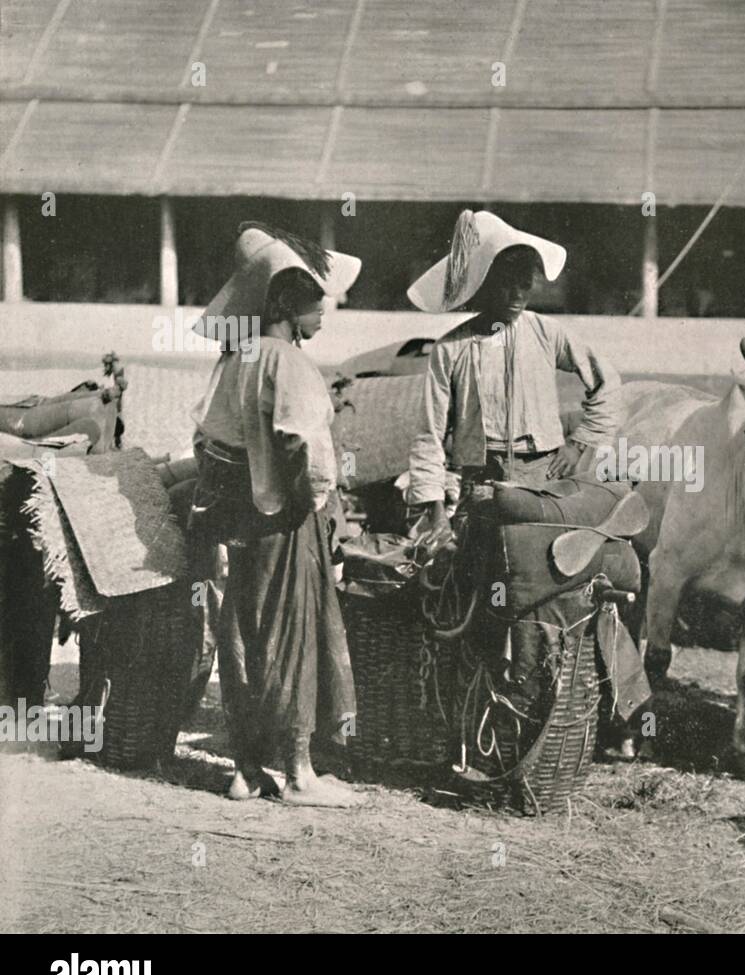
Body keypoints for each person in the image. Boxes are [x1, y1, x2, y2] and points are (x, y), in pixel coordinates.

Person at [189, 222, 364, 807]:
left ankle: (244, 770)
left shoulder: (235, 357)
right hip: (283, 520)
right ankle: (297, 774)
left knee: (243, 633)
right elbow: (306, 451)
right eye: (317, 300)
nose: (324, 313)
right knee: (292, 634)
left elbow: (209, 440)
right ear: (288, 302)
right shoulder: (286, 363)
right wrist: (311, 504)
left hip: (238, 516)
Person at [404, 210, 621, 544]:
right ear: (485, 286)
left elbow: (607, 383)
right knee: (481, 569)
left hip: (544, 475)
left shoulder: (547, 333)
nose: (517, 296)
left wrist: (578, 445)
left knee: (538, 565)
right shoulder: (451, 349)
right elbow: (429, 433)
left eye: (525, 285)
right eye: (506, 286)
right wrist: (433, 509)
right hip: (482, 479)